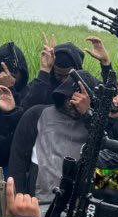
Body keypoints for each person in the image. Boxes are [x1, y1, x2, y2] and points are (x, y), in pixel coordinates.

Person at [8, 70, 98, 204]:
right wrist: (18, 199)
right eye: (72, 99)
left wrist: (87, 115)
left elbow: (111, 168)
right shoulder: (37, 114)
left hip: (79, 208)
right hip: (38, 203)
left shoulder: (96, 126)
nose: (75, 104)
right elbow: (18, 161)